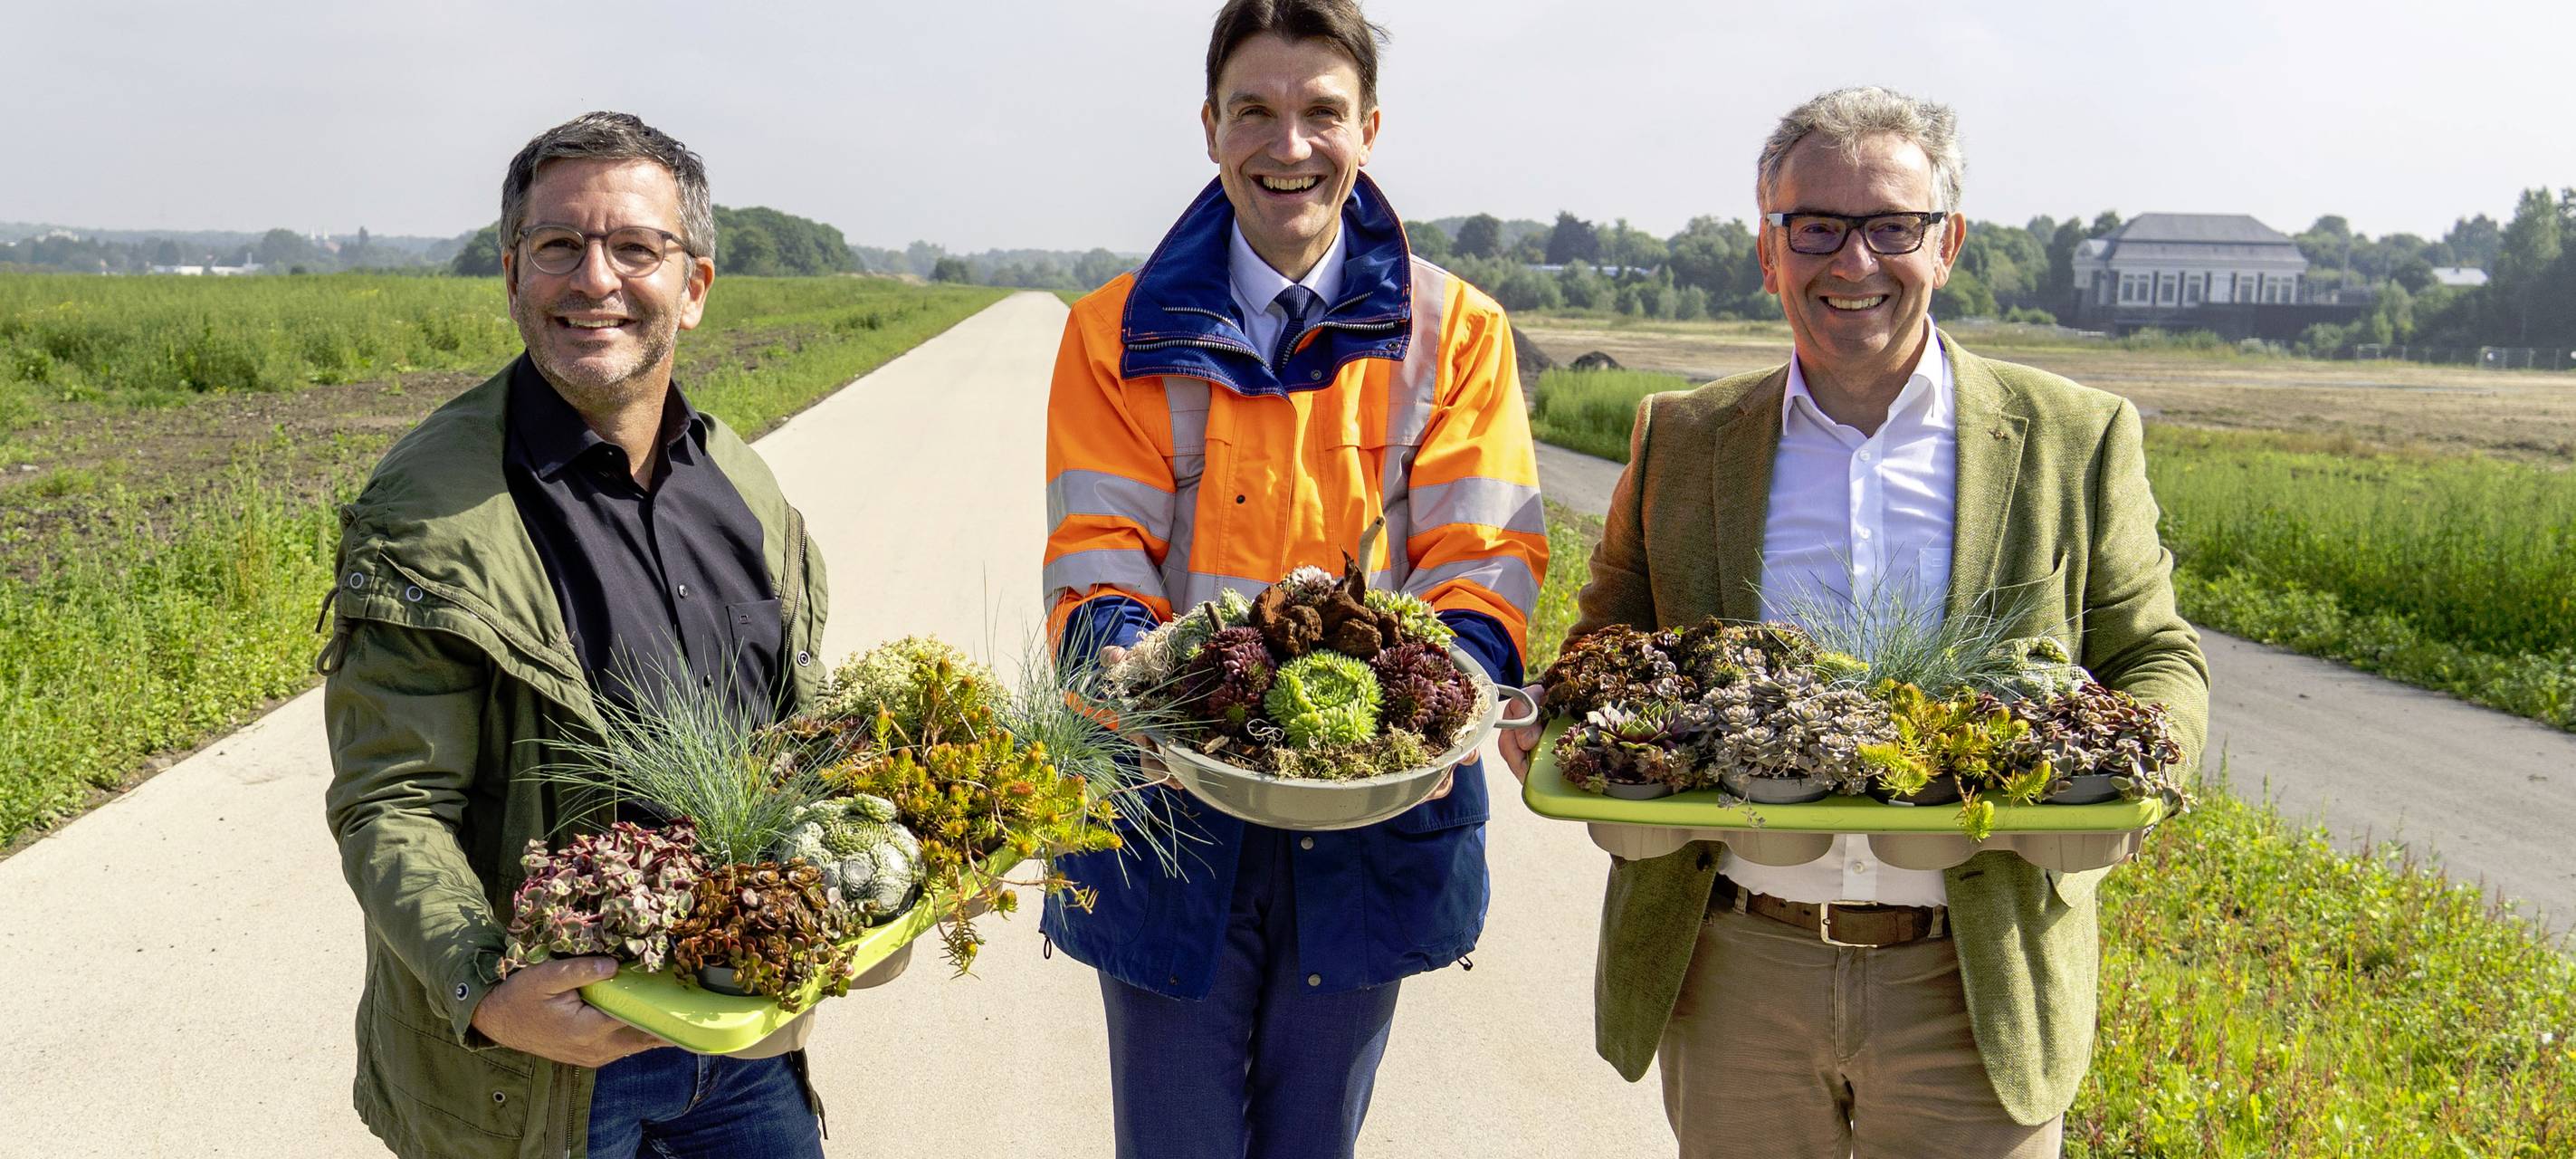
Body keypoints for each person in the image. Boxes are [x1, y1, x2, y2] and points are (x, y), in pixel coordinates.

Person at [1500, 86, 2209, 1158]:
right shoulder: (1682, 438)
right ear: (1766, 248)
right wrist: (1560, 720)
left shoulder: (2073, 435)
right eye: (1815, 226)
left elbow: (2154, 651)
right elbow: (1609, 640)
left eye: (1891, 226)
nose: (1853, 261)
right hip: (1737, 964)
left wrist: (2150, 754)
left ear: (1948, 242)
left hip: (1974, 971)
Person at [1038, 2, 1545, 1154]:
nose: (1288, 145)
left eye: (1320, 112)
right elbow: (1095, 558)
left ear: (1368, 128)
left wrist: (1432, 710)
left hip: (1371, 814)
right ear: (1209, 126)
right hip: (1167, 807)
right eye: (1254, 112)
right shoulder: (1109, 332)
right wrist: (1135, 664)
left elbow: (1484, 558)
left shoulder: (1455, 332)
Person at [320, 111, 833, 1159]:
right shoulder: (430, 509)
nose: (593, 278)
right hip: (547, 1072)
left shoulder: (744, 487)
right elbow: (392, 799)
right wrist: (486, 986)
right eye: (558, 245)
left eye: (634, 247)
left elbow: (802, 739)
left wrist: (854, 892)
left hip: (741, 1044)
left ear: (692, 285)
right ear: (512, 274)